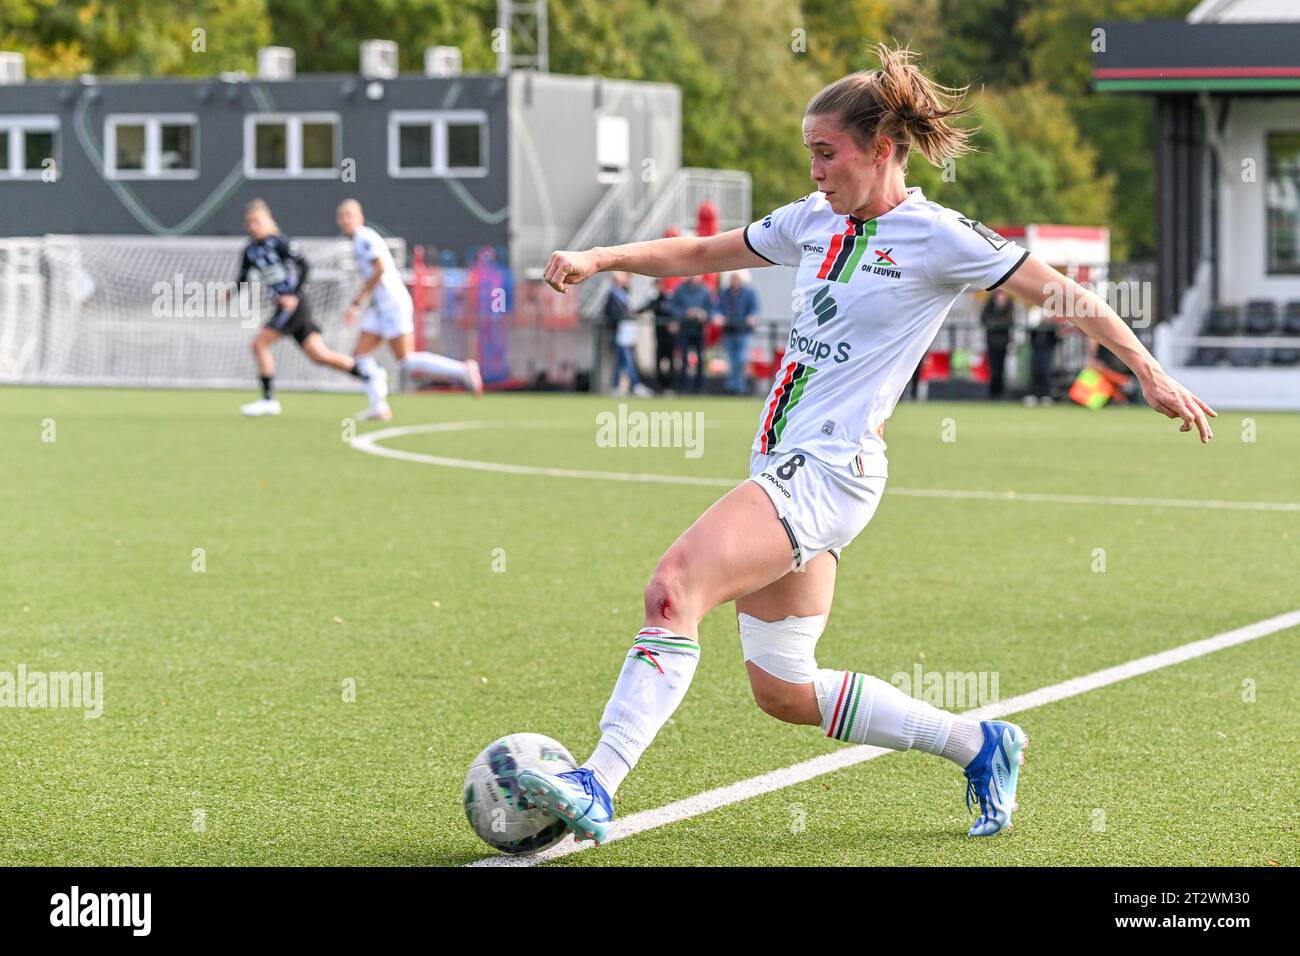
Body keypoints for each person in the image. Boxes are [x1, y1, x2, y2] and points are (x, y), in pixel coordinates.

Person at [521, 43, 1216, 847]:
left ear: (882, 150)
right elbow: (707, 254)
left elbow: (1067, 294)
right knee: (783, 688)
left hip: (827, 472)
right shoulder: (812, 221)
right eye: (808, 154)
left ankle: (597, 784)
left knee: (674, 589)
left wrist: (1148, 371)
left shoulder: (939, 236)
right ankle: (977, 743)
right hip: (788, 468)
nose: (815, 171)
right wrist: (603, 257)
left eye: (827, 153)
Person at [337, 199, 482, 421]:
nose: (345, 220)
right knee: (360, 355)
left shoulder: (364, 237)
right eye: (341, 216)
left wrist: (357, 301)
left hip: (392, 303)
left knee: (406, 360)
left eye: (349, 215)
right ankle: (379, 405)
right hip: (379, 307)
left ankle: (463, 370)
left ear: (360, 218)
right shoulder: (357, 241)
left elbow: (380, 268)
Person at [234, 199, 382, 417]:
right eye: (250, 223)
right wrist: (229, 293)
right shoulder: (250, 250)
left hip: (294, 306)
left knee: (259, 344)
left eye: (258, 221)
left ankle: (268, 400)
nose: (254, 227)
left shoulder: (280, 243)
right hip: (285, 307)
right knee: (320, 355)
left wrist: (293, 295)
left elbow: (304, 265)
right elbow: (243, 278)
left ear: (268, 221)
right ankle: (368, 374)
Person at [604, 272, 652, 397]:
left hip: (626, 331)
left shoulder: (623, 292)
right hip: (619, 332)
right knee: (627, 360)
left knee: (622, 361)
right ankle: (635, 385)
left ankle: (615, 386)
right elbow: (611, 313)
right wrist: (625, 316)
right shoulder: (613, 294)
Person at [716, 270, 760, 395]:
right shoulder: (725, 293)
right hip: (729, 330)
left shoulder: (749, 293)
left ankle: (737, 387)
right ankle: (734, 387)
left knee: (741, 359)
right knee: (731, 360)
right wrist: (718, 316)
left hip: (743, 331)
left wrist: (752, 317)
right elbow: (718, 309)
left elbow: (754, 309)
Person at [670, 275, 714, 393]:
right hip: (685, 328)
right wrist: (685, 313)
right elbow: (673, 307)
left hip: (699, 329)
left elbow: (711, 310)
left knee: (701, 359)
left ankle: (699, 388)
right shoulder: (680, 289)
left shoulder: (705, 290)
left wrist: (703, 314)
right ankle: (683, 387)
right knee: (683, 358)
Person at [638, 278, 681, 394]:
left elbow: (676, 312)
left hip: (670, 337)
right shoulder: (655, 300)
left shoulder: (670, 299)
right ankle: (660, 386)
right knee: (658, 361)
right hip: (659, 336)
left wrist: (674, 321)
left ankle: (671, 386)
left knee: (671, 361)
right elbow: (645, 307)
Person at [980, 288, 1014, 399]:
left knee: (1001, 367)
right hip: (991, 342)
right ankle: (992, 392)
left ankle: (1000, 392)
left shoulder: (1009, 307)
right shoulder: (989, 306)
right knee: (992, 368)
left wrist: (994, 324)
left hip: (1003, 343)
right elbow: (984, 319)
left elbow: (1008, 321)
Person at [1025, 306, 1060, 406]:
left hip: (1047, 346)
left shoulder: (1052, 311)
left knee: (1046, 370)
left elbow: (1056, 331)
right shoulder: (1034, 311)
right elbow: (1031, 328)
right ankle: (1033, 394)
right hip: (1035, 346)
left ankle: (1046, 394)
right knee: (1034, 369)